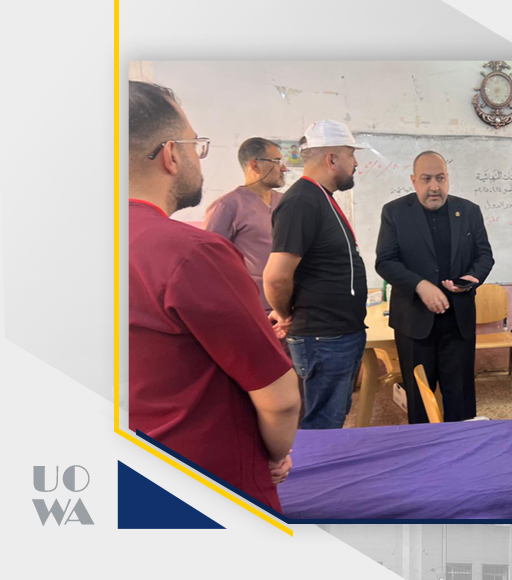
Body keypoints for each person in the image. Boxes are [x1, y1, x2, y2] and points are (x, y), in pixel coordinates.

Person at [128, 81, 300, 512]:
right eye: (195, 145)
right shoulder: (191, 252)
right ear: (171, 154)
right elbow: (279, 399)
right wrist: (275, 454)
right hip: (207, 476)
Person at [263, 120, 369, 430]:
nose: (356, 163)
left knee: (331, 419)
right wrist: (285, 314)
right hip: (324, 338)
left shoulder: (320, 197)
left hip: (336, 335)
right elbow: (275, 277)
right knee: (322, 425)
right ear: (332, 159)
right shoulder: (301, 201)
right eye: (351, 155)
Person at [375, 151, 494, 423]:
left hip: (458, 321)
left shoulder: (469, 211)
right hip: (414, 323)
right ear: (413, 180)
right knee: (419, 402)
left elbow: (484, 256)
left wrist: (471, 278)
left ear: (448, 179)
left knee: (461, 400)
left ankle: (460, 447)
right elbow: (385, 261)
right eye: (426, 179)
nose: (434, 187)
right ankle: (426, 447)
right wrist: (419, 285)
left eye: (440, 178)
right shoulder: (394, 212)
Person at [203, 137, 287, 313]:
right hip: (251, 308)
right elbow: (209, 263)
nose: (284, 168)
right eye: (277, 161)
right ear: (255, 166)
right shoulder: (227, 207)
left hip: (289, 306)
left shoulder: (286, 203)